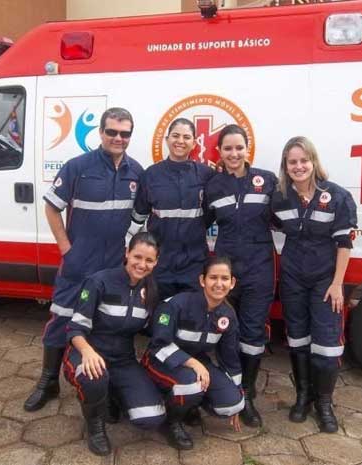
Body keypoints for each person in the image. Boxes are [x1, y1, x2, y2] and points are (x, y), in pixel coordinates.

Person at [24, 108, 144, 412]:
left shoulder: (136, 172)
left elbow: (140, 216)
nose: (118, 138)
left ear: (130, 135)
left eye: (124, 133)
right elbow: (52, 208)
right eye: (112, 132)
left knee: (105, 323)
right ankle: (48, 381)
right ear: (101, 133)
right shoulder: (77, 167)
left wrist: (129, 249)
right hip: (79, 263)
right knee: (61, 318)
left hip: (114, 266)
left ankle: (105, 382)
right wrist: (67, 249)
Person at [271, 136, 357, 433]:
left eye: (303, 160)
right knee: (297, 341)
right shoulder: (279, 196)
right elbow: (272, 224)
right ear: (286, 166)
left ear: (313, 161)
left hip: (324, 281)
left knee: (327, 345)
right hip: (293, 277)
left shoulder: (337, 196)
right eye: (292, 162)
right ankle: (302, 397)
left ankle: (324, 403)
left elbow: (344, 243)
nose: (298, 166)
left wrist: (337, 284)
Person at [63, 232, 166, 456]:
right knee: (94, 376)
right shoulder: (99, 281)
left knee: (151, 417)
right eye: (137, 256)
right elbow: (75, 328)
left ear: (156, 262)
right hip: (86, 352)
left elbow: (151, 329)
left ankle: (113, 394)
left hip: (122, 360)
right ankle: (95, 425)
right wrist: (87, 352)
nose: (142, 264)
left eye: (149, 260)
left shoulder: (151, 290)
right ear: (127, 253)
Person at [204, 124, 278, 427]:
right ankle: (224, 391)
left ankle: (247, 396)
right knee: (222, 331)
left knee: (252, 334)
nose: (233, 154)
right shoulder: (213, 185)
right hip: (225, 270)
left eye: (239, 147)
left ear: (248, 149)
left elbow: (284, 217)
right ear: (219, 152)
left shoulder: (267, 181)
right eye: (227, 148)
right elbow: (202, 223)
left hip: (259, 268)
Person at [143, 256, 244, 450]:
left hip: (196, 363)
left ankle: (189, 404)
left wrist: (238, 392)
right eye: (213, 277)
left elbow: (230, 357)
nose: (219, 284)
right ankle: (171, 423)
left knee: (232, 404)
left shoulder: (227, 315)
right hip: (161, 360)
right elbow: (159, 345)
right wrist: (192, 363)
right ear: (202, 280)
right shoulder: (175, 305)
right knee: (192, 384)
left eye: (224, 279)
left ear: (232, 283)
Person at [129, 118, 214, 300]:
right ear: (167, 139)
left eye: (186, 137)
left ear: (194, 142)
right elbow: (138, 218)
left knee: (190, 319)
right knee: (159, 319)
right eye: (175, 136)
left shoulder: (207, 175)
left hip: (195, 264)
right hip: (160, 264)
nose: (180, 141)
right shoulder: (150, 175)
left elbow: (210, 216)